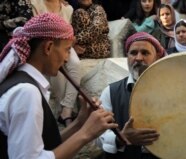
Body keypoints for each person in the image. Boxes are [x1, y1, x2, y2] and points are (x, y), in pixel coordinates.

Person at [0, 13, 118, 159]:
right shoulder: (26, 92)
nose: (67, 58)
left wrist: (79, 123)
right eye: (67, 49)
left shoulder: (24, 84)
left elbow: (47, 147)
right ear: (49, 47)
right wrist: (86, 133)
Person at [98, 32, 165, 159]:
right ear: (127, 57)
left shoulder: (170, 91)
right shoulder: (111, 92)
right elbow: (98, 135)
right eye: (133, 53)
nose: (138, 58)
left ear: (156, 58)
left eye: (145, 53)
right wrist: (121, 138)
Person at [31, 0, 81, 126]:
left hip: (64, 43)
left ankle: (67, 110)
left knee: (75, 64)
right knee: (57, 66)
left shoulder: (68, 8)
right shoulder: (35, 4)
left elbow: (69, 33)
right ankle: (60, 110)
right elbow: (36, 31)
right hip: (45, 43)